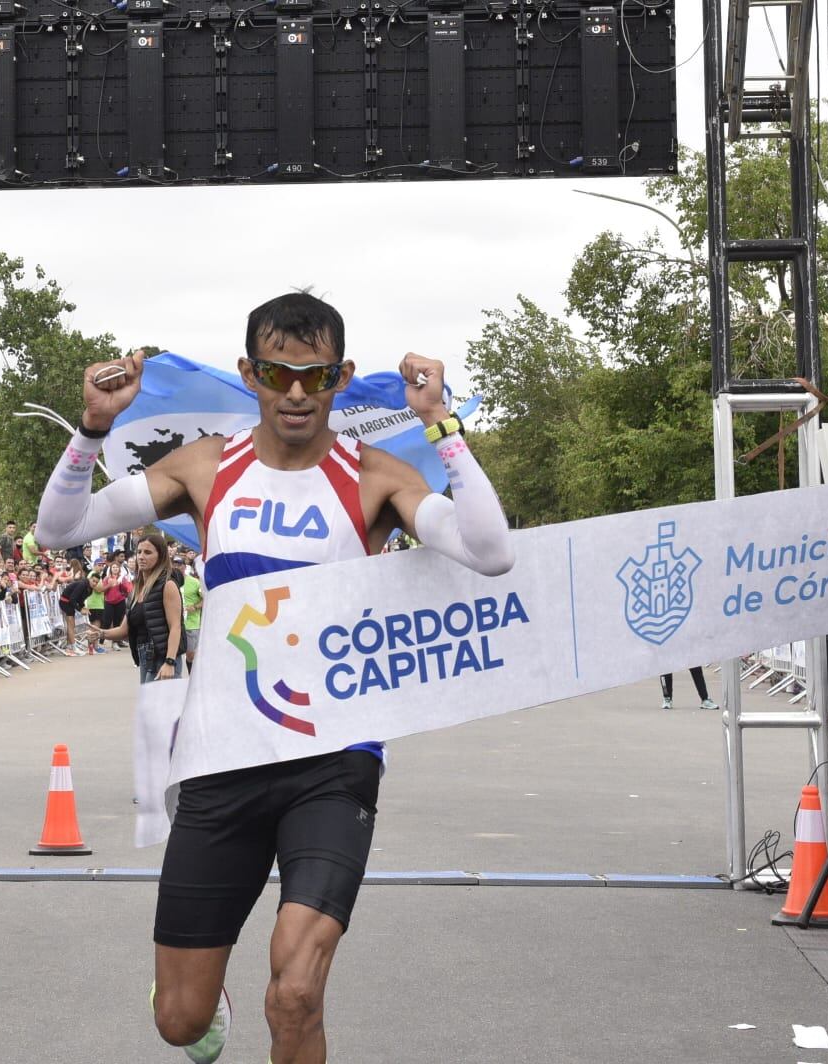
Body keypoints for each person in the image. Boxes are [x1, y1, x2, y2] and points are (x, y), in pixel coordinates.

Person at [36, 292, 513, 1064]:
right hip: (223, 756)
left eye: (315, 376)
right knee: (180, 1022)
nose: (296, 393)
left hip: (335, 758)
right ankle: (199, 1003)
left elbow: (490, 551)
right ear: (249, 373)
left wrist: (443, 425)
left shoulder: (375, 477)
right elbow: (57, 530)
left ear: (343, 378)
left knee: (294, 992)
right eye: (277, 373)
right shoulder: (204, 466)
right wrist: (93, 427)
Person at [90, 532, 184, 683]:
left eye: (148, 552)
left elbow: (175, 627)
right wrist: (101, 633)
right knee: (148, 706)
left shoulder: (167, 585)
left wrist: (170, 661)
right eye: (139, 552)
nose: (141, 556)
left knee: (161, 706)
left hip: (163, 658)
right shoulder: (136, 590)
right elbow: (124, 630)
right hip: (145, 658)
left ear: (160, 556)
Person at [177, 553, 203, 673]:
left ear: (184, 566)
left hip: (191, 624)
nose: (176, 566)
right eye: (174, 564)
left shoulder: (194, 582)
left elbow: (206, 598)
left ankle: (192, 678)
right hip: (174, 624)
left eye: (179, 564)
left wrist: (195, 606)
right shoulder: (168, 581)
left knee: (190, 654)